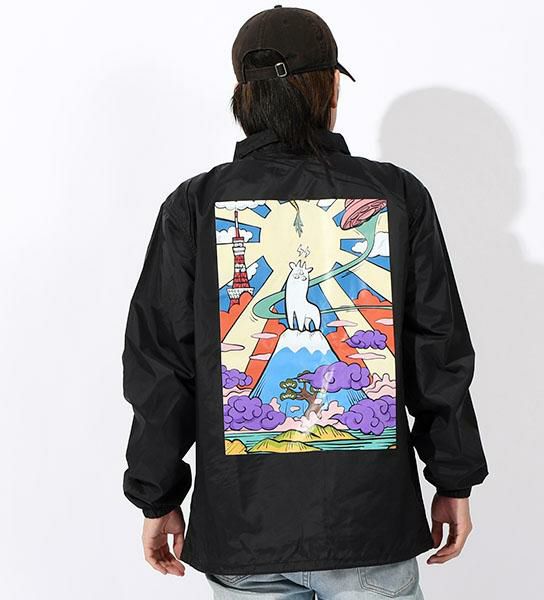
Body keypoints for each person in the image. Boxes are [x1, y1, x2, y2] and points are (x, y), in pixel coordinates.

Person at [122, 5, 488, 598]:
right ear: (330, 92)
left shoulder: (195, 204)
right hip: (369, 525)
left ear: (244, 97)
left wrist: (156, 494)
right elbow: (437, 350)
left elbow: (161, 365)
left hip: (244, 529)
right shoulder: (396, 193)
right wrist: (454, 479)